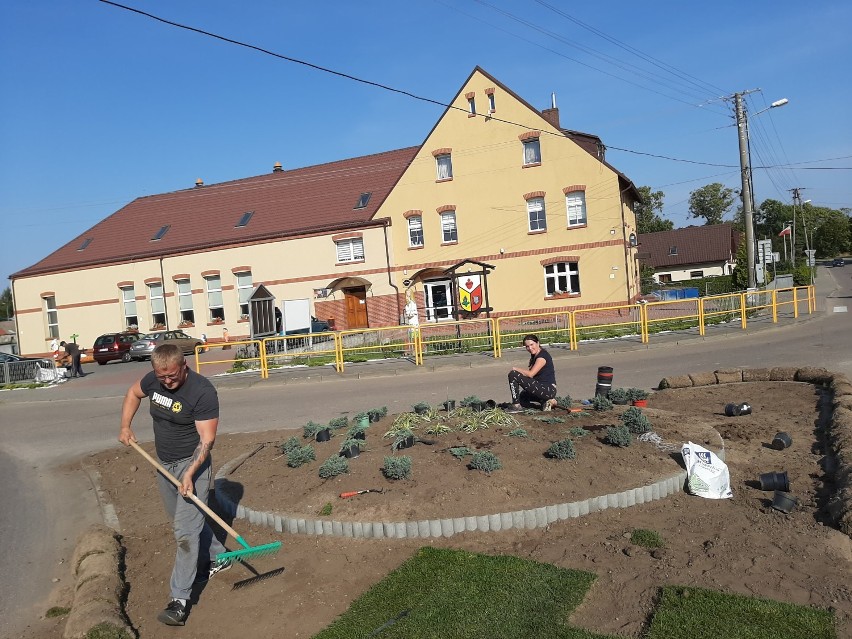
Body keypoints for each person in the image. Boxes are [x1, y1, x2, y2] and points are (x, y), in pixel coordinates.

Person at [118, 344, 230, 627]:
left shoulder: (202, 391)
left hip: (193, 464)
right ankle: (219, 555)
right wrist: (125, 425)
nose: (166, 382)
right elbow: (133, 393)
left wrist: (190, 473)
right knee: (184, 521)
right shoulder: (153, 380)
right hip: (163, 464)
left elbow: (207, 441)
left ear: (184, 366)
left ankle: (178, 601)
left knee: (184, 532)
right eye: (161, 377)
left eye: (171, 376)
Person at [507, 334, 558, 411]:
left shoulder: (542, 357)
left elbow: (531, 374)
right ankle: (547, 401)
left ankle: (516, 406)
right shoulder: (535, 355)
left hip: (547, 389)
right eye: (527, 346)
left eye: (532, 344)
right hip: (542, 388)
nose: (530, 348)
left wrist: (516, 369)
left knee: (513, 374)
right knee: (523, 396)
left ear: (538, 343)